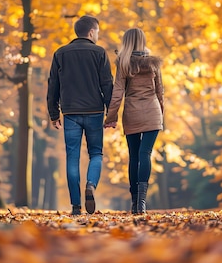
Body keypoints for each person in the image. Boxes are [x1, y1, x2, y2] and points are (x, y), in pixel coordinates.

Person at [47, 15, 113, 215]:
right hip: (94, 111)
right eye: (98, 32)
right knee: (96, 154)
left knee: (72, 157)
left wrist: (53, 113)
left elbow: (53, 85)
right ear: (92, 32)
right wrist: (112, 112)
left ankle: (76, 206)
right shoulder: (99, 53)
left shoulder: (60, 53)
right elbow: (107, 84)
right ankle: (91, 185)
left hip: (70, 113)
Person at [104, 28, 164, 214]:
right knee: (146, 153)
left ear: (126, 41)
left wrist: (110, 117)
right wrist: (162, 115)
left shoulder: (123, 63)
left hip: (132, 113)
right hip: (153, 112)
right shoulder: (154, 63)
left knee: (134, 156)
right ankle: (142, 202)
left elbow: (117, 93)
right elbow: (160, 91)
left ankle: (135, 201)